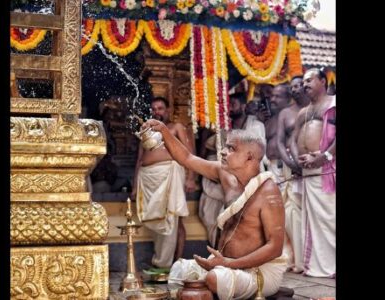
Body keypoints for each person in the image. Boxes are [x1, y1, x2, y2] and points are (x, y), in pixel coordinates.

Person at [142, 118, 290, 299]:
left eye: (231, 149)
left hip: (257, 272)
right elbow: (187, 158)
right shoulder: (225, 174)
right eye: (226, 147)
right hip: (226, 266)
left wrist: (229, 264)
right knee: (180, 270)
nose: (223, 152)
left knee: (214, 279)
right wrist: (164, 131)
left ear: (250, 157)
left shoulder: (268, 191)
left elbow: (275, 247)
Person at [132, 97, 196, 268]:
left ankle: (170, 263)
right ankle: (164, 260)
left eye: (160, 108)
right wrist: (134, 184)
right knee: (158, 220)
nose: (157, 111)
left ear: (168, 110)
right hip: (148, 178)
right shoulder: (146, 131)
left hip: (170, 174)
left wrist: (191, 178)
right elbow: (140, 159)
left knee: (172, 219)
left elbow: (190, 154)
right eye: (154, 108)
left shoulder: (176, 128)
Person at [291, 68, 336, 278]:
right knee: (313, 222)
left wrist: (324, 156)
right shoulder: (303, 112)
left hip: (327, 169)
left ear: (322, 81)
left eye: (309, 80)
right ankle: (320, 267)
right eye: (303, 82)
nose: (305, 85)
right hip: (307, 171)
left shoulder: (333, 104)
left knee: (330, 218)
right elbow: (292, 139)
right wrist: (295, 160)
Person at [275, 76, 311, 273]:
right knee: (291, 213)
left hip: (313, 166)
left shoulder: (316, 108)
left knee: (312, 212)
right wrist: (291, 163)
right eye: (293, 87)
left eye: (299, 85)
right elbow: (281, 142)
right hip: (291, 166)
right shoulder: (285, 113)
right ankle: (296, 259)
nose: (296, 89)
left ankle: (312, 258)